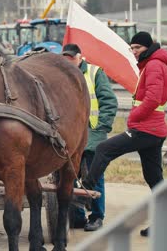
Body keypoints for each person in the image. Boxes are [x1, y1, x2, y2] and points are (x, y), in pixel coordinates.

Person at [81, 31, 167, 237]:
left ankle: (85, 190)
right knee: (154, 178)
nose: (134, 52)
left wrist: (134, 118)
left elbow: (153, 98)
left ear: (148, 47)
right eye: (131, 48)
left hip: (146, 129)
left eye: (137, 48)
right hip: (153, 130)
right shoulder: (153, 65)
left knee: (103, 149)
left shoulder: (154, 66)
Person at [62, 43, 118, 231]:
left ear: (80, 57)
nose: (68, 62)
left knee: (94, 176)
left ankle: (96, 216)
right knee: (72, 177)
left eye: (71, 59)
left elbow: (109, 101)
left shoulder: (95, 73)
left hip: (92, 135)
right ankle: (78, 218)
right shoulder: (61, 75)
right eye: (65, 59)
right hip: (70, 137)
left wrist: (101, 128)